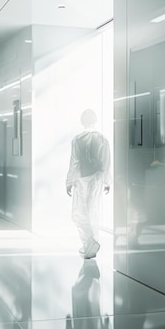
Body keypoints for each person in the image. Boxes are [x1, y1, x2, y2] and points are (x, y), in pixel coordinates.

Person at [66, 109, 111, 259]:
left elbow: (75, 162)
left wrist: (69, 181)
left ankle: (89, 243)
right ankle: (91, 244)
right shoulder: (103, 139)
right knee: (93, 211)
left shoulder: (77, 139)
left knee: (78, 213)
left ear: (82, 121)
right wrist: (107, 181)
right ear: (95, 120)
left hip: (81, 178)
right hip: (97, 177)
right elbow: (106, 162)